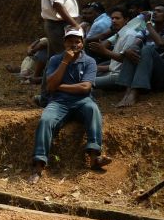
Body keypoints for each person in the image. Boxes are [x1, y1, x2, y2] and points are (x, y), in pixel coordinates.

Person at [29, 28, 107, 183]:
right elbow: (50, 87)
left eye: (77, 41)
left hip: (82, 100)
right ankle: (38, 166)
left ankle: (94, 157)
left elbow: (85, 88)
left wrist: (59, 86)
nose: (73, 45)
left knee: (93, 110)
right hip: (59, 101)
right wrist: (65, 61)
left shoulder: (89, 61)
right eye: (70, 41)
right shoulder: (56, 60)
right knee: (45, 120)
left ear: (82, 43)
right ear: (64, 43)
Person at [115, 0, 164, 108]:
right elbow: (134, 44)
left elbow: (161, 43)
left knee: (147, 49)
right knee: (131, 51)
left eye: (159, 11)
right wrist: (129, 50)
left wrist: (148, 24)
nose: (155, 13)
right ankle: (128, 91)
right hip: (150, 75)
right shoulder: (145, 31)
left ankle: (134, 91)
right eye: (154, 11)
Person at [37, 0, 81, 105]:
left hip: (57, 24)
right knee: (64, 58)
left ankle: (46, 96)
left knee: (53, 60)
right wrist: (74, 24)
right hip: (58, 25)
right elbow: (57, 4)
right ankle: (53, 96)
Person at [89, 7, 134, 90]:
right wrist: (100, 68)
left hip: (119, 77)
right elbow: (116, 65)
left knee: (85, 82)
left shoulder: (129, 35)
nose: (113, 21)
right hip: (112, 72)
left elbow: (125, 60)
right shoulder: (120, 33)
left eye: (117, 18)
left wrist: (104, 51)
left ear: (126, 20)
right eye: (112, 18)